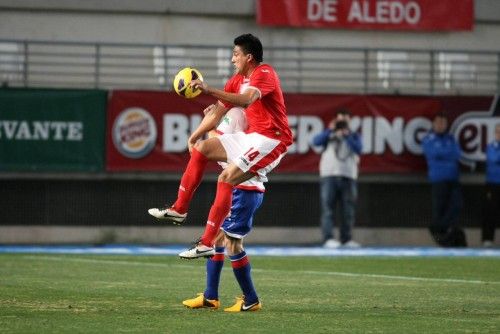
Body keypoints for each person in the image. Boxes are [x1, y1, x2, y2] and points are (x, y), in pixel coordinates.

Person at [148, 33, 292, 260]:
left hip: (272, 140)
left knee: (225, 178)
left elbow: (246, 100)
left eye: (236, 55)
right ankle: (179, 209)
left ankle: (207, 245)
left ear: (249, 57)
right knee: (202, 149)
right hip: (253, 137)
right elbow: (217, 111)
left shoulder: (265, 72)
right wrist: (194, 136)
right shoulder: (235, 81)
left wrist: (208, 89)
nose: (232, 60)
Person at [182, 105, 264, 312]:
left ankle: (251, 299)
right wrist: (213, 120)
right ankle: (210, 297)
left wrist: (212, 122)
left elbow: (218, 145)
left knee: (232, 243)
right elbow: (220, 142)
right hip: (240, 190)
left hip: (244, 192)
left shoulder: (236, 117)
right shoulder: (241, 125)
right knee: (218, 240)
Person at [312, 109, 362, 248]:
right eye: (340, 120)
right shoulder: (329, 134)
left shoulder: (354, 135)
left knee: (348, 210)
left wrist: (347, 135)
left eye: (345, 121)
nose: (342, 123)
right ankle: (328, 238)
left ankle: (346, 239)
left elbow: (359, 148)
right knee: (328, 208)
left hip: (348, 175)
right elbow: (316, 142)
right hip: (329, 174)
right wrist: (330, 130)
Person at [421, 113, 467, 247]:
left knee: (457, 205)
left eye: (443, 123)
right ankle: (443, 239)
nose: (441, 126)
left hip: (453, 178)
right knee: (439, 209)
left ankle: (436, 228)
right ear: (434, 124)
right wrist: (447, 153)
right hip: (438, 179)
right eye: (438, 123)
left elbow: (457, 153)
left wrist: (442, 153)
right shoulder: (429, 139)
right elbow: (432, 153)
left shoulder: (451, 139)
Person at [482, 123, 500, 247]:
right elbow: (493, 159)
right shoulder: (491, 147)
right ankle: (487, 239)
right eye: (498, 132)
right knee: (490, 211)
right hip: (493, 184)